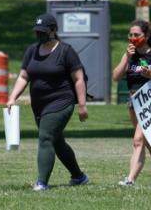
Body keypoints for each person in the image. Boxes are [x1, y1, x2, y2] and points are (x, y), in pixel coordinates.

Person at [6, 13, 89, 191]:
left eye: (43, 31)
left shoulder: (65, 51)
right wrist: (12, 98)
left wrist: (82, 106)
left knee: (45, 138)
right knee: (56, 141)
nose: (39, 34)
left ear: (53, 30)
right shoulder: (32, 51)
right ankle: (79, 176)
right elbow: (23, 76)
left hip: (61, 101)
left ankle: (41, 182)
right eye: (37, 31)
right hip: (39, 105)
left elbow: (79, 79)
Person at [112, 19, 151, 186]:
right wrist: (127, 57)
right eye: (130, 35)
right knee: (149, 141)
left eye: (137, 35)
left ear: (145, 36)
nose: (133, 38)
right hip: (134, 103)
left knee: (138, 140)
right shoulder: (129, 56)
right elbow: (116, 77)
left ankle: (130, 180)